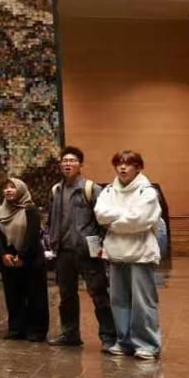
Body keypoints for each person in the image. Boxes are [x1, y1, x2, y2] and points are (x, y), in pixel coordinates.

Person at [95, 150, 163, 359]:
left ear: (138, 168)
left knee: (143, 302)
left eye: (128, 163)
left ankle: (147, 345)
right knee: (119, 301)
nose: (123, 167)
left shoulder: (147, 192)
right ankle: (124, 341)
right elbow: (100, 214)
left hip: (141, 254)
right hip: (116, 254)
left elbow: (140, 220)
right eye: (119, 164)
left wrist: (114, 223)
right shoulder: (108, 191)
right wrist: (125, 218)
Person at [45, 146, 115, 349]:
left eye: (72, 160)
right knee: (66, 295)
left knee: (98, 294)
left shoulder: (91, 189)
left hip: (87, 251)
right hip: (63, 251)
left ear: (80, 165)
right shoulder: (56, 190)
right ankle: (70, 334)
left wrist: (99, 244)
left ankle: (109, 337)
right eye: (64, 161)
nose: (68, 164)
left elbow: (104, 220)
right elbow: (52, 219)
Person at [0, 177, 48, 342]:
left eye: (13, 187)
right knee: (13, 294)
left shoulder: (30, 209)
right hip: (9, 257)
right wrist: (4, 254)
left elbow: (32, 235)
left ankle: (36, 330)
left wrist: (23, 256)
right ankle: (16, 328)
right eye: (6, 188)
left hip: (31, 257)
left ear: (21, 189)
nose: (8, 190)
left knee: (34, 295)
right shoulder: (1, 211)